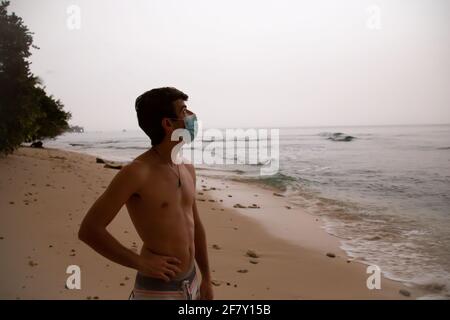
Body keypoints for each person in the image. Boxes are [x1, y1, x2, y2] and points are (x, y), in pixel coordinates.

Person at [78, 87, 213, 300]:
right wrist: (140, 262)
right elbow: (89, 230)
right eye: (184, 110)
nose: (192, 116)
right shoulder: (137, 172)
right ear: (168, 124)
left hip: (192, 280)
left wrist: (206, 277)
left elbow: (195, 225)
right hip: (158, 290)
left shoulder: (187, 168)